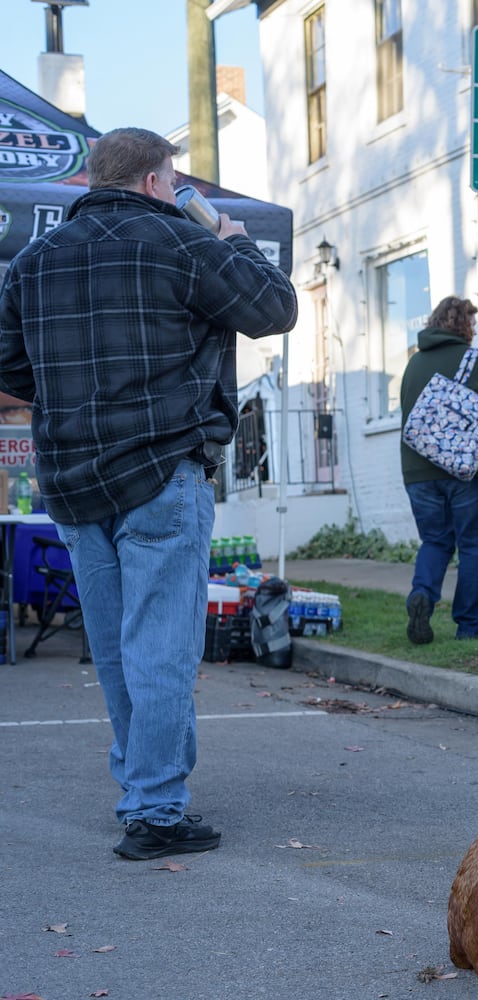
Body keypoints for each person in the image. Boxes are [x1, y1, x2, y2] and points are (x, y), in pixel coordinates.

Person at [0, 127, 298, 860]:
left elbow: (9, 366)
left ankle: (145, 793)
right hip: (164, 467)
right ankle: (156, 810)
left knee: (115, 650)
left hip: (73, 476)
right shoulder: (183, 244)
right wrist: (236, 242)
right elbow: (275, 309)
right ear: (156, 181)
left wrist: (74, 399)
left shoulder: (33, 261)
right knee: (160, 648)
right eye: (172, 177)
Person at [399, 295, 478, 644]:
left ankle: (422, 594)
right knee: (472, 545)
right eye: (472, 323)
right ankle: (468, 626)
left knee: (435, 540)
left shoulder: (414, 363)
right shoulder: (475, 361)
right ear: (463, 325)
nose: (474, 330)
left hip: (418, 472)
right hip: (462, 470)